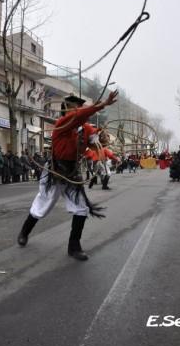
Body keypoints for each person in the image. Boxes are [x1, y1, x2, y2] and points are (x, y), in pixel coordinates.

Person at [17, 90, 118, 261]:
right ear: (66, 110)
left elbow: (95, 146)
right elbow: (79, 117)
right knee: (42, 206)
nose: (76, 110)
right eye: (73, 108)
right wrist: (102, 105)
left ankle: (74, 246)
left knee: (81, 209)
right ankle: (24, 232)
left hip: (73, 173)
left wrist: (100, 140)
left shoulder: (86, 129)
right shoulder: (62, 124)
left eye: (78, 107)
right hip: (55, 171)